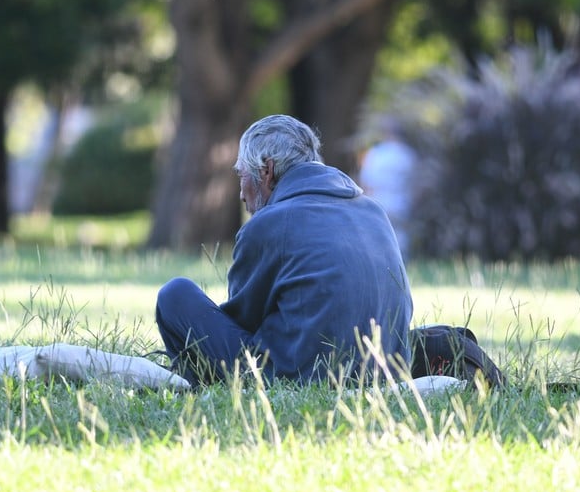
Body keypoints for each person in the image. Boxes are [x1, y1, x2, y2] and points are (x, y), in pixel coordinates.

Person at [155, 114, 413, 387]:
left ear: (267, 170)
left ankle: (191, 384)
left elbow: (243, 322)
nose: (241, 194)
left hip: (296, 378)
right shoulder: (374, 211)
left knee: (175, 294)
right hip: (383, 372)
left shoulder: (269, 223)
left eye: (242, 175)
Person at [358, 117, 417, 260]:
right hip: (401, 204)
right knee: (401, 240)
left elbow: (366, 184)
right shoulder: (408, 155)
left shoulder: (375, 154)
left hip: (378, 202)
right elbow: (415, 184)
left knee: (378, 240)